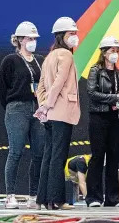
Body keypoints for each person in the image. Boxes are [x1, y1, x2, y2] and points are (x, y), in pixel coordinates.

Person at [34, 17, 81, 210]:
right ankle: (57, 200)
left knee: (49, 155)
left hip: (50, 114)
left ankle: (42, 199)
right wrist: (49, 104)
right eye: (71, 34)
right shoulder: (66, 56)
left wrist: (43, 105)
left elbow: (41, 87)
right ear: (61, 36)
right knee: (58, 156)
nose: (75, 37)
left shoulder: (49, 57)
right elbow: (58, 83)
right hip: (61, 112)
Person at [0, 21, 45, 209]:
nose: (32, 41)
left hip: (38, 108)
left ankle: (34, 196)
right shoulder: (10, 60)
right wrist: (11, 106)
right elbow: (3, 89)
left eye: (34, 38)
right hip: (17, 108)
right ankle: (10, 196)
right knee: (16, 151)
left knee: (39, 153)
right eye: (29, 38)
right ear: (19, 40)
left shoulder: (40, 60)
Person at [85, 36, 119, 208]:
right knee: (97, 157)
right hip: (98, 117)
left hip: (116, 118)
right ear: (103, 53)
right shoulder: (96, 70)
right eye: (112, 50)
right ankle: (93, 197)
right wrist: (114, 97)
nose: (115, 54)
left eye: (117, 51)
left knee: (113, 157)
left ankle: (112, 198)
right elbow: (92, 93)